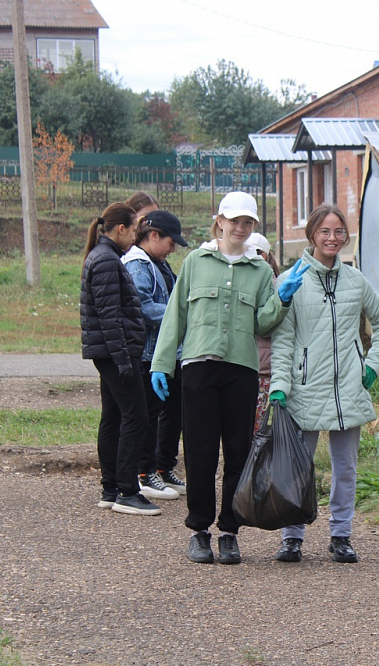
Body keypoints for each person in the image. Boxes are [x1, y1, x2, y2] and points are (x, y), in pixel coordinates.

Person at [150, 191, 302, 565]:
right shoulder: (196, 262)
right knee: (200, 453)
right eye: (234, 221)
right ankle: (199, 531)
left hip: (241, 371)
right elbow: (175, 315)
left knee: (238, 453)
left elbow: (262, 324)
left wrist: (281, 299)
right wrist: (161, 363)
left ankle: (229, 532)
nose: (240, 228)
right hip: (199, 368)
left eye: (247, 222)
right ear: (219, 221)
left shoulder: (260, 271)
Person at [270, 204, 379, 564]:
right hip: (305, 387)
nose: (332, 238)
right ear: (312, 234)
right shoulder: (291, 280)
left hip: (348, 390)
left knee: (346, 469)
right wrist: (280, 384)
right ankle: (292, 537)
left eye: (339, 231)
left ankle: (341, 535)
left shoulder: (356, 280)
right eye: (324, 231)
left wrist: (371, 367)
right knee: (298, 466)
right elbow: (283, 340)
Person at [80, 202, 161, 516]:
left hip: (112, 352)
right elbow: (109, 316)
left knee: (113, 417)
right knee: (136, 417)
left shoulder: (105, 257)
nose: (136, 236)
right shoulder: (106, 260)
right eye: (134, 229)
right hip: (115, 353)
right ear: (122, 229)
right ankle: (127, 490)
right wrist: (124, 360)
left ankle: (111, 488)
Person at [122, 210, 189, 501]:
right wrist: (182, 317)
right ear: (153, 235)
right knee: (149, 415)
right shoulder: (138, 265)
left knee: (173, 413)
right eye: (170, 242)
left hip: (169, 352)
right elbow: (143, 307)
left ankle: (163, 467)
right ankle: (144, 472)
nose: (172, 248)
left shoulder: (158, 263)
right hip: (149, 355)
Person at [244, 232, 279, 434]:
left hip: (262, 367)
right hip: (256, 365)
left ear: (263, 256)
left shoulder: (271, 284)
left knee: (256, 427)